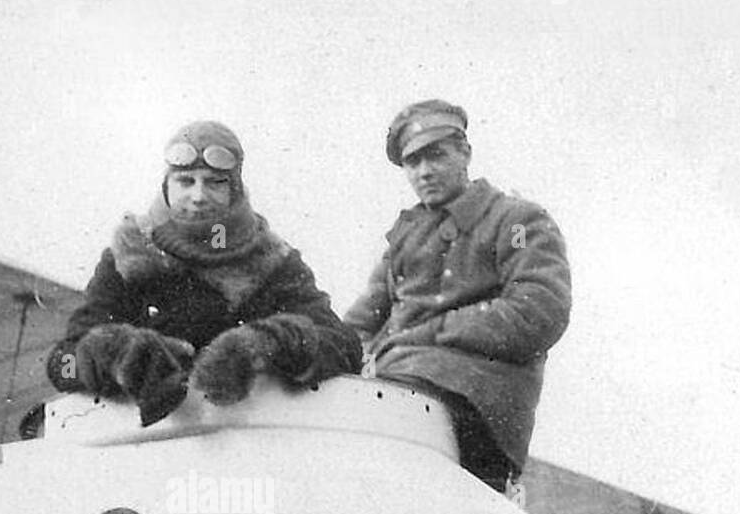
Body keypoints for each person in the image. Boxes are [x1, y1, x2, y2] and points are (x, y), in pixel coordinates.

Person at [47, 121, 360, 425]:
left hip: (254, 442)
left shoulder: (275, 263)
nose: (198, 196)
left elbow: (344, 347)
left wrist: (267, 344)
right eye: (185, 181)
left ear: (234, 190)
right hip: (147, 448)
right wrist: (112, 354)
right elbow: (62, 363)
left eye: (214, 182)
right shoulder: (127, 257)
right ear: (167, 186)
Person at [343, 99, 571, 491]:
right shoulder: (406, 235)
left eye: (436, 156)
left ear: (465, 152)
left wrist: (434, 332)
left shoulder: (515, 221)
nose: (425, 172)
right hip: (401, 384)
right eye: (413, 163)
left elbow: (539, 311)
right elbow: (361, 321)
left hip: (479, 403)